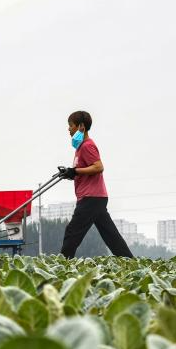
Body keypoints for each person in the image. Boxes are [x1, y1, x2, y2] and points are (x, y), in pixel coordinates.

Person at [56, 110, 133, 259]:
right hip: (95, 197)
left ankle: (62, 263)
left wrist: (75, 171)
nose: (69, 129)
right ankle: (129, 261)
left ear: (81, 127)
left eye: (71, 125)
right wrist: (70, 173)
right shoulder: (80, 148)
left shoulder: (87, 146)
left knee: (72, 232)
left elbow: (98, 167)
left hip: (91, 197)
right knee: (110, 235)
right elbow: (83, 171)